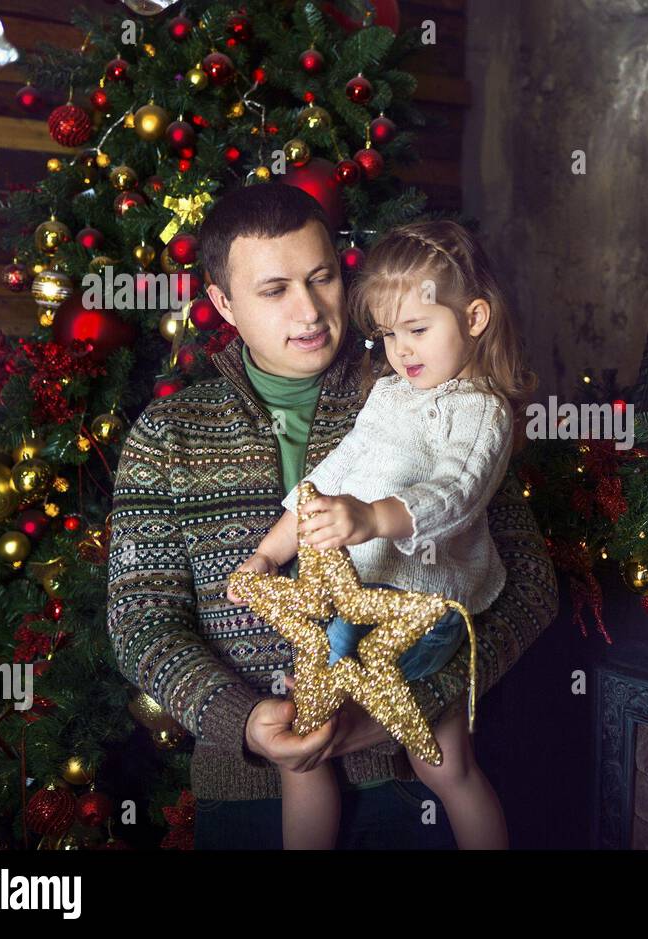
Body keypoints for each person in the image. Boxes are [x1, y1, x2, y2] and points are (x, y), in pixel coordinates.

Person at [106, 185, 558, 849]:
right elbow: (140, 622)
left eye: (322, 278)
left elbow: (529, 587)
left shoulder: (423, 385)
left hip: (407, 789)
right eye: (274, 289)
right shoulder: (167, 434)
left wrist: (418, 701)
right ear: (222, 303)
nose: (311, 309)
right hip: (249, 799)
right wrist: (249, 720)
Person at [227, 220, 535, 849]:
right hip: (353, 593)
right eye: (390, 335)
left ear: (474, 317)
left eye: (417, 330)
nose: (401, 350)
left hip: (422, 609)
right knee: (332, 752)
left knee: (414, 758)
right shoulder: (389, 395)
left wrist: (370, 519)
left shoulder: (481, 410)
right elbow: (330, 475)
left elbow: (454, 494)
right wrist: (265, 554)